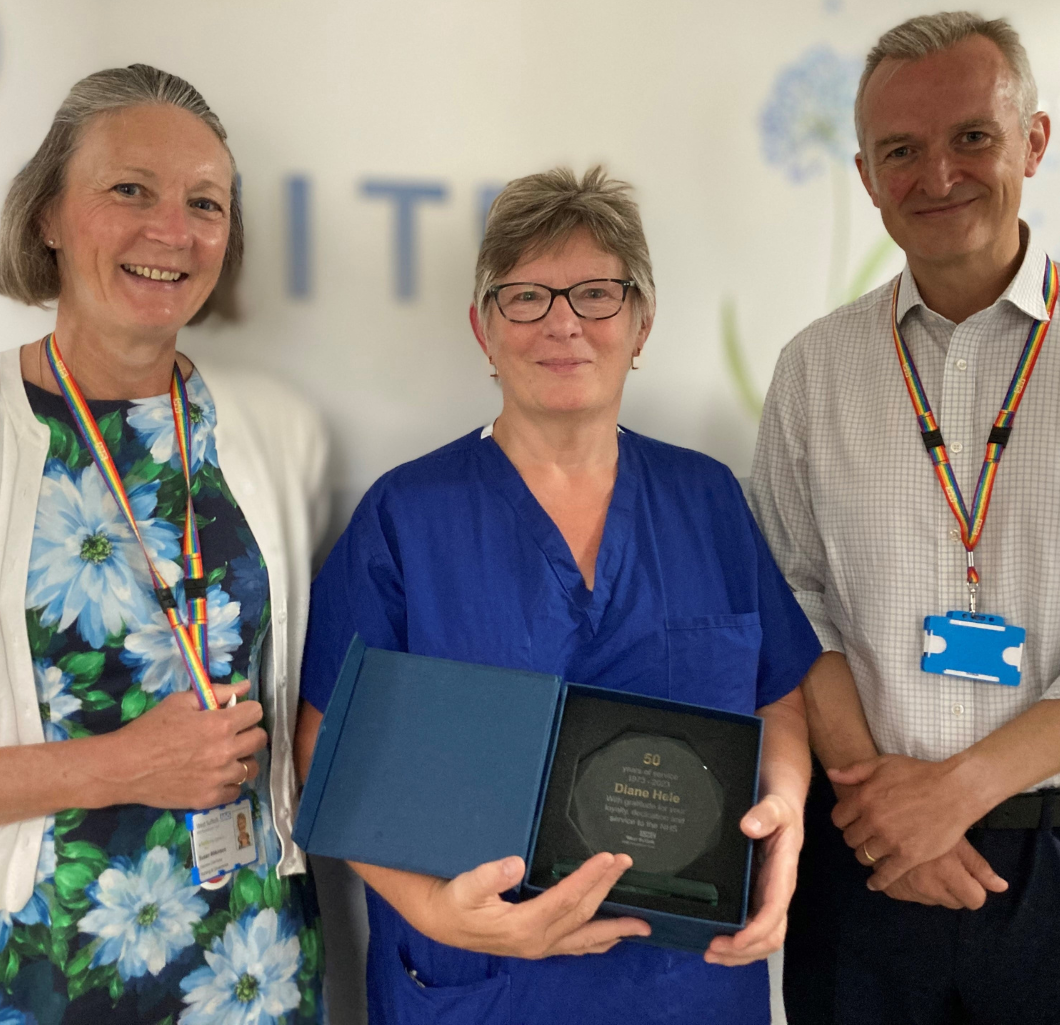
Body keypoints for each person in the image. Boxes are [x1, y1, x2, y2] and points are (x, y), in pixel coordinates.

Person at [296, 166, 821, 1025]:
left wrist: (789, 809)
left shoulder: (707, 499)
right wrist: (432, 911)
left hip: (683, 986)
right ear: (483, 329)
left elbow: (779, 694)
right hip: (482, 981)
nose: (564, 322)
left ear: (642, 322)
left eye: (597, 294)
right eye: (526, 298)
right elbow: (325, 747)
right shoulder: (408, 515)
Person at [749, 12, 1060, 1024]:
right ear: (863, 173)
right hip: (867, 858)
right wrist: (885, 807)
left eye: (971, 136)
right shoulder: (816, 367)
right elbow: (787, 596)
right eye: (902, 150)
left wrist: (956, 794)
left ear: (1033, 139)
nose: (937, 174)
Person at [0, 65, 329, 1024]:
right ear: (50, 215)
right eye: (129, 190)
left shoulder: (276, 433)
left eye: (204, 203)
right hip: (45, 970)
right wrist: (118, 767)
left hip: (257, 966)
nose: (171, 232)